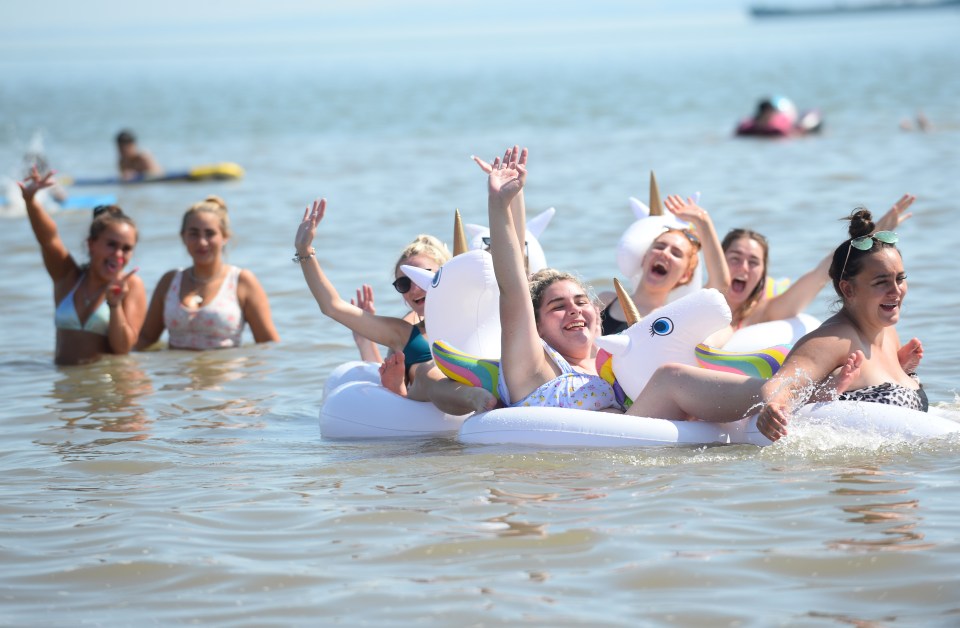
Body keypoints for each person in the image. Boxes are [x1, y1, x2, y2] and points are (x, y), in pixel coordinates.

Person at [622, 207, 925, 441]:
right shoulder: (833, 339)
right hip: (740, 387)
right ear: (848, 289)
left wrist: (902, 371)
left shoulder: (886, 332)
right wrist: (775, 406)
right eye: (882, 282)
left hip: (891, 477)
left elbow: (819, 275)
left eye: (901, 279)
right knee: (670, 377)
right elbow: (783, 385)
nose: (895, 290)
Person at [294, 199, 497, 414]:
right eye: (404, 283)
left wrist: (503, 199)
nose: (415, 289)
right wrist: (304, 251)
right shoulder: (405, 333)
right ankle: (473, 396)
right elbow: (332, 306)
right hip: (442, 391)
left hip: (484, 373)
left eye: (423, 276)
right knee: (429, 371)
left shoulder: (480, 312)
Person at [486, 147, 621, 411]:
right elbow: (513, 287)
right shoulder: (536, 368)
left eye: (581, 302)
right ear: (536, 327)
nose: (573, 309)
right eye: (558, 306)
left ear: (596, 312)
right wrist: (500, 202)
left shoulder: (616, 365)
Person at [711, 193, 918, 346]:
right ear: (718, 259)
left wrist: (872, 236)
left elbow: (821, 274)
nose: (744, 267)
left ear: (763, 273)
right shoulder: (697, 298)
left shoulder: (766, 311)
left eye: (754, 262)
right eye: (735, 258)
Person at [19, 166, 146, 365]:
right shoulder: (67, 276)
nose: (119, 254)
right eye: (111, 244)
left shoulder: (131, 286)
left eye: (127, 248)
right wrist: (31, 201)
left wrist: (114, 305)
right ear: (91, 244)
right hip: (65, 389)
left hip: (108, 390)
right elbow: (48, 239)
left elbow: (123, 349)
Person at [136, 196, 279, 350]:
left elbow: (268, 346)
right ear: (183, 237)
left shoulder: (241, 281)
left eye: (210, 234)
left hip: (226, 372)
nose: (202, 242)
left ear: (224, 237)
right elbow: (146, 339)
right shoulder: (170, 281)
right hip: (177, 373)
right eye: (194, 233)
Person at [599, 194, 730, 335]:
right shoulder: (606, 300)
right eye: (660, 246)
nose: (665, 253)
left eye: (676, 253)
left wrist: (703, 222)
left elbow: (720, 286)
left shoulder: (672, 318)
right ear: (644, 258)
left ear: (685, 275)